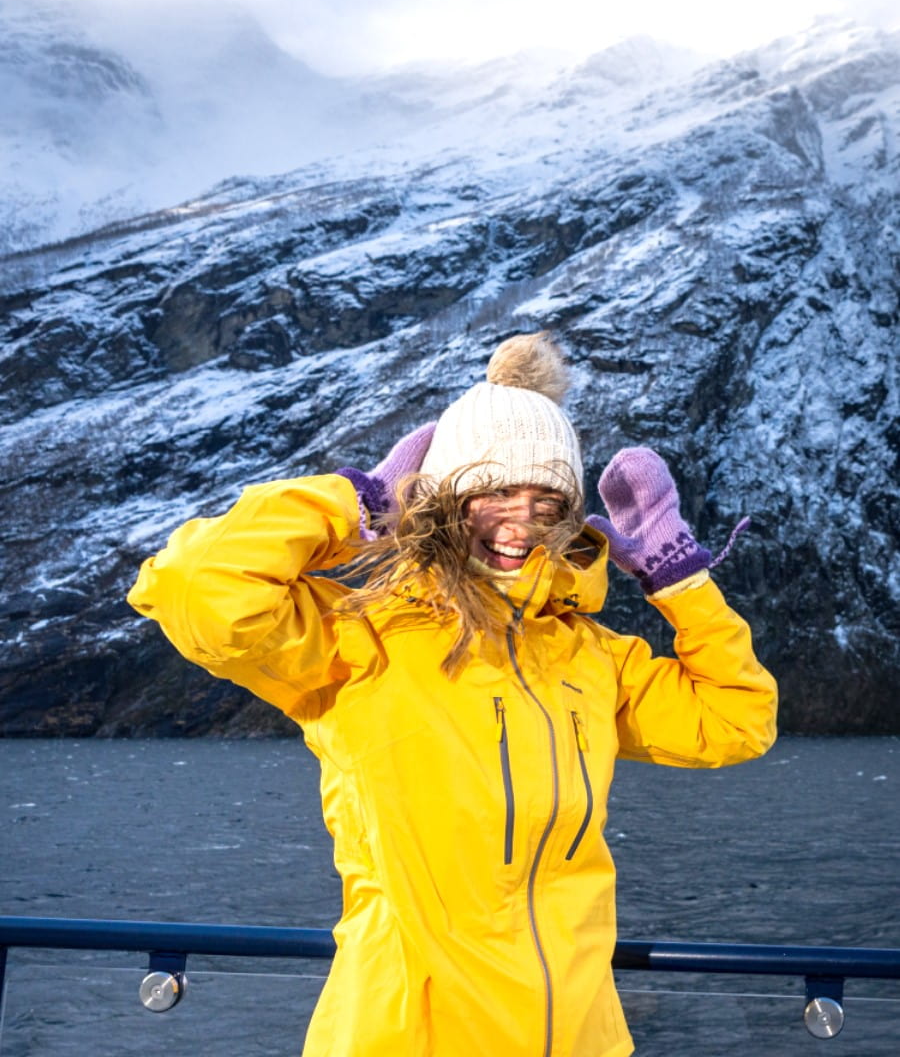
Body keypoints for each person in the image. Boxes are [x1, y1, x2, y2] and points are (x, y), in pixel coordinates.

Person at [128, 331, 778, 1057]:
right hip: (408, 1036)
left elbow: (736, 718)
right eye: (495, 491)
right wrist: (359, 504)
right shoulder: (364, 641)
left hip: (578, 1038)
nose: (521, 521)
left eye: (546, 500)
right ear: (444, 500)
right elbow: (195, 586)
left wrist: (677, 579)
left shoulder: (589, 657)